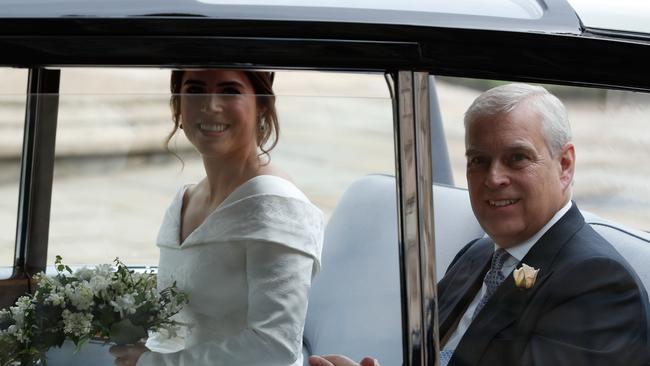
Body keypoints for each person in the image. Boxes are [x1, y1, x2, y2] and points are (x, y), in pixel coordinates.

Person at [309, 83, 650, 366]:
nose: (494, 178)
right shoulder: (479, 254)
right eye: (478, 161)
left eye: (517, 157)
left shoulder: (598, 285)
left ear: (564, 165)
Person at [110, 69, 324, 366]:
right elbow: (178, 325)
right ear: (178, 104)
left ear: (262, 104)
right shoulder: (184, 200)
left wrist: (150, 364)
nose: (210, 105)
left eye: (230, 91)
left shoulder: (276, 205)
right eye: (195, 90)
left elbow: (274, 347)